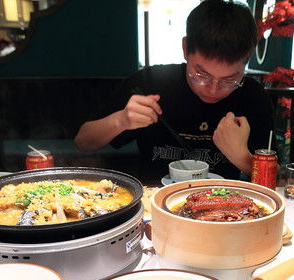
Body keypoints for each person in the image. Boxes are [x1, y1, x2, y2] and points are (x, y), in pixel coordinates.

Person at [74, 0, 273, 181]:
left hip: (227, 205)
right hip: (153, 202)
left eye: (229, 80)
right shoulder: (150, 82)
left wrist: (242, 157)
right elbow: (83, 142)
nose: (213, 89)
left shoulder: (253, 96)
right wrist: (121, 120)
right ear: (185, 48)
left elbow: (276, 176)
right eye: (201, 75)